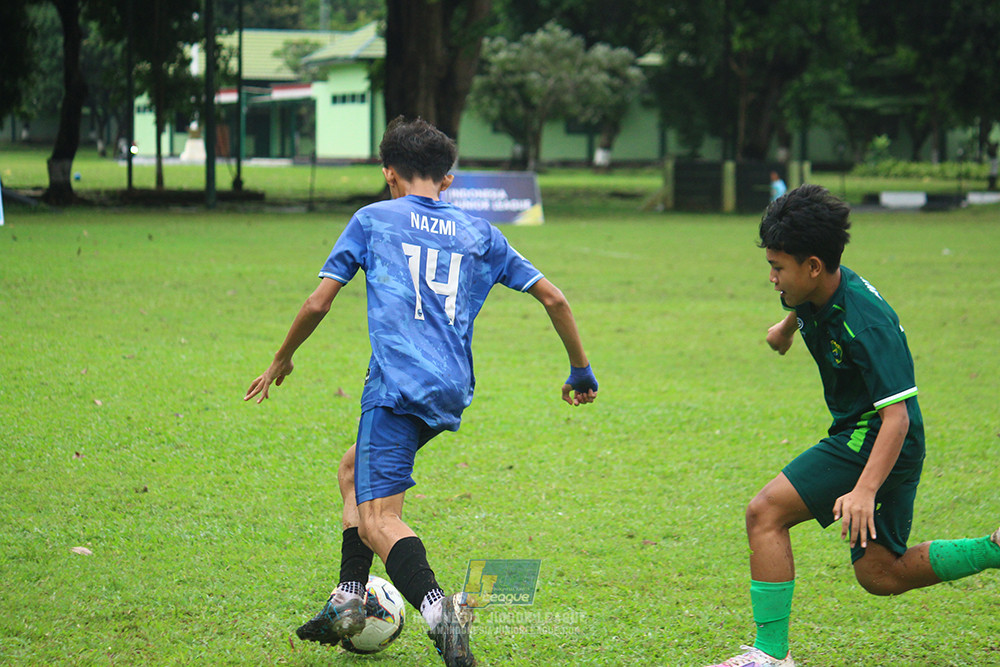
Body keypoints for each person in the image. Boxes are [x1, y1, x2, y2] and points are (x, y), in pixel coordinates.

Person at [245, 116, 598, 667]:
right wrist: (580, 370)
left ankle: (439, 612)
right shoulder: (482, 233)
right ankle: (348, 600)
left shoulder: (372, 219)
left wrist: (282, 358)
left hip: (394, 384)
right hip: (451, 388)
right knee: (351, 471)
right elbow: (556, 299)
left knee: (379, 518)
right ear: (448, 180)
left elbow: (318, 302)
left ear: (389, 174)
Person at [707, 184, 1000, 667]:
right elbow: (808, 306)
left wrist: (864, 490)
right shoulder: (816, 287)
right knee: (881, 574)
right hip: (878, 438)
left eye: (778, 268)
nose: (774, 279)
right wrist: (786, 328)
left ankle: (768, 656)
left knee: (764, 514)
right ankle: (994, 549)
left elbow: (897, 416)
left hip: (877, 436)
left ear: (813, 266)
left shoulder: (868, 325)